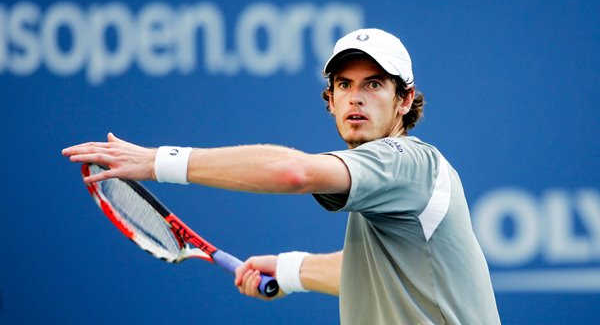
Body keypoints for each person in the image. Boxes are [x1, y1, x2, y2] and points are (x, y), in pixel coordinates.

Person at [63, 28, 500, 324]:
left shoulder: (406, 160)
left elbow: (294, 172)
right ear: (330, 100)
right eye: (344, 85)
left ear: (404, 101)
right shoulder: (389, 189)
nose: (356, 98)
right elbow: (375, 271)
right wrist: (292, 271)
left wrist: (159, 161)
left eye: (374, 84)